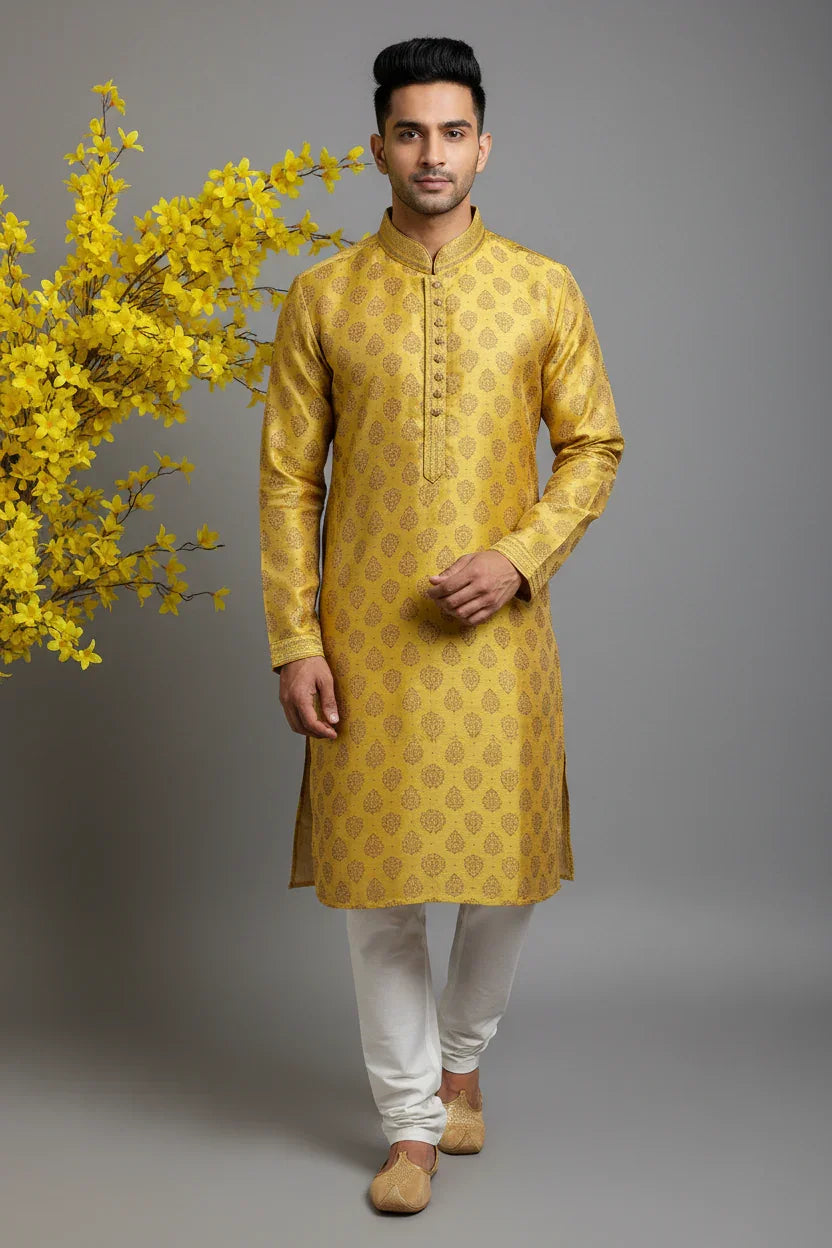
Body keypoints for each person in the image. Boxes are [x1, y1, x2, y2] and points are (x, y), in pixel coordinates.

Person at [259, 36, 625, 1213]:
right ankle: (412, 1128)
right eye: (409, 131)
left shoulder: (542, 287)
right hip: (364, 637)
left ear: (483, 144)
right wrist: (295, 636)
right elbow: (286, 484)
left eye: (452, 131)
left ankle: (461, 1065)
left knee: (503, 881)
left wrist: (518, 560)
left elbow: (593, 446)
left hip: (497, 637)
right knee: (378, 895)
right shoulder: (322, 295)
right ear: (378, 145)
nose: (431, 152)